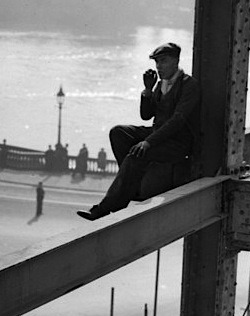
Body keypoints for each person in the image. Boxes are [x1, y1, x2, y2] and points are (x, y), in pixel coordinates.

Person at [77, 43, 201, 221]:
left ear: (176, 61)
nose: (158, 66)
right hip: (158, 135)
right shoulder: (161, 85)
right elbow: (146, 115)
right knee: (118, 133)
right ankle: (130, 186)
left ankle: (105, 208)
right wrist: (148, 91)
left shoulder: (189, 85)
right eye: (157, 62)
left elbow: (177, 121)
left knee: (138, 153)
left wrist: (148, 142)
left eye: (163, 61)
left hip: (178, 143)